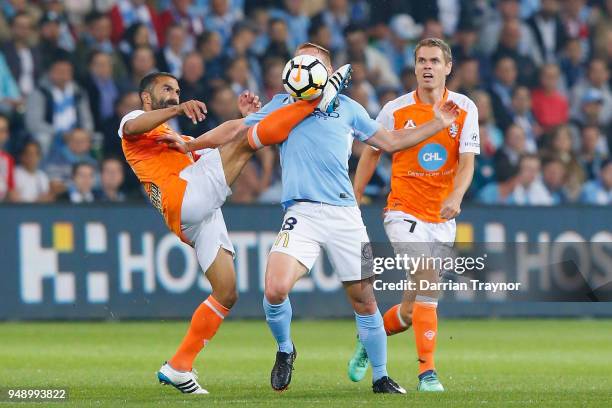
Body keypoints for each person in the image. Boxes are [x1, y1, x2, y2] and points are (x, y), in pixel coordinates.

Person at [243, 41, 461, 394]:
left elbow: (388, 142)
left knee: (365, 299)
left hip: (346, 216)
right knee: (275, 288)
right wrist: (198, 143)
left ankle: (380, 375)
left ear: (327, 73)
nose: (302, 69)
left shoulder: (348, 108)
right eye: (298, 63)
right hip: (301, 212)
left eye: (310, 63)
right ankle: (285, 349)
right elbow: (241, 132)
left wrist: (436, 123)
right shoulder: (282, 105)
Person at [121, 68, 350, 394]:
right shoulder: (136, 121)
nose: (174, 95)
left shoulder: (179, 139)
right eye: (167, 90)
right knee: (246, 143)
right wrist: (180, 110)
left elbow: (221, 142)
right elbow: (131, 127)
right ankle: (316, 99)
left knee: (226, 292)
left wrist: (248, 119)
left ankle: (179, 366)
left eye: (176, 91)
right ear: (147, 97)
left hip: (196, 217)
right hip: (184, 196)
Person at [349, 38, 480, 392]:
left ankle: (371, 340)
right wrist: (355, 194)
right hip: (402, 212)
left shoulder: (465, 108)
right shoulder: (394, 110)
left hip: (443, 217)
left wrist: (456, 194)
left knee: (410, 312)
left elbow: (467, 163)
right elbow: (372, 152)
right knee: (427, 278)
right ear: (415, 66)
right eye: (421, 60)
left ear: (447, 67)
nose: (427, 66)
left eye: (435, 61)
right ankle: (428, 374)